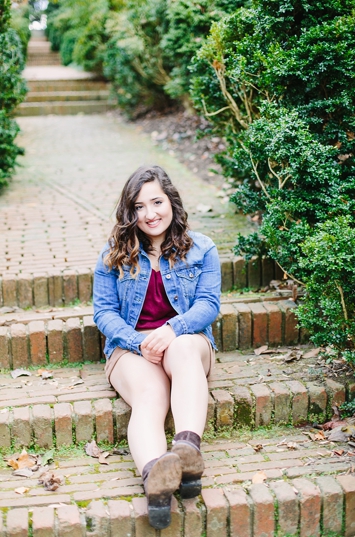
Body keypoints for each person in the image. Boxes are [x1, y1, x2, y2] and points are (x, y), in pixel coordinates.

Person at [93, 165, 221, 529]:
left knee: (180, 350)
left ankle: (188, 451)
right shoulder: (113, 254)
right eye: (138, 206)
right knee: (150, 394)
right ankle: (155, 477)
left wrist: (173, 328)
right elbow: (104, 312)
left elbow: (208, 304)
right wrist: (138, 341)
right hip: (131, 349)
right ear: (128, 212)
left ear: (171, 202)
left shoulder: (201, 248)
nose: (149, 214)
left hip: (188, 341)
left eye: (156, 202)